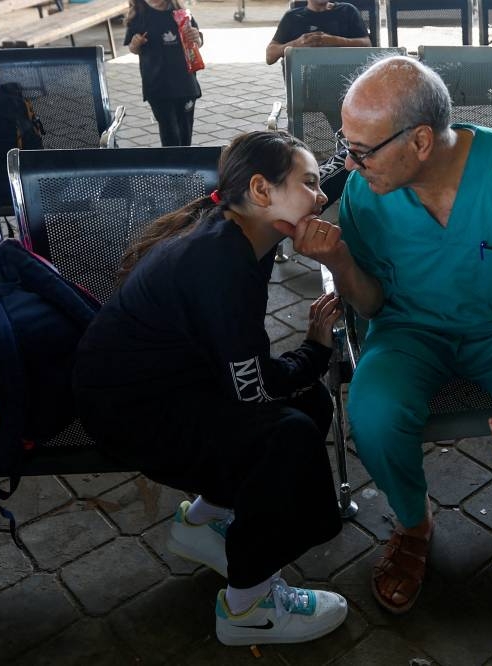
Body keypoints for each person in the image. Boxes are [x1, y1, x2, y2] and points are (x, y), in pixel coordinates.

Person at [275, 56, 492, 614]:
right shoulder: (366, 191)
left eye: (362, 150)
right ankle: (414, 523)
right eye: (346, 145)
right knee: (374, 413)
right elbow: (371, 304)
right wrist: (339, 260)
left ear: (421, 142)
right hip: (408, 331)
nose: (349, 164)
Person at [72, 131, 349, 646]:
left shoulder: (243, 221)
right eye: (308, 184)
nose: (318, 199)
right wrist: (315, 349)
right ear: (262, 190)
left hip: (166, 386)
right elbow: (254, 390)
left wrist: (348, 163)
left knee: (308, 400)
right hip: (132, 415)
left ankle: (203, 522)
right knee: (287, 436)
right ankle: (249, 607)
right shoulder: (219, 264)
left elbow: (315, 190)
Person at [125, 0, 204, 147]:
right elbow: (132, 47)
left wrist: (196, 37)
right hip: (157, 86)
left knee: (185, 132)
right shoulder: (139, 15)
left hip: (185, 85)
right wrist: (135, 44)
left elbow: (198, 42)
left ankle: (185, 159)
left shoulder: (181, 13)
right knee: (169, 133)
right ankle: (172, 160)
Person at [266, 0, 370, 66]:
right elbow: (270, 57)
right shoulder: (292, 17)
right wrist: (296, 44)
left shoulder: (347, 11)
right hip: (304, 84)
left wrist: (336, 41)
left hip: (342, 79)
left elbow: (367, 45)